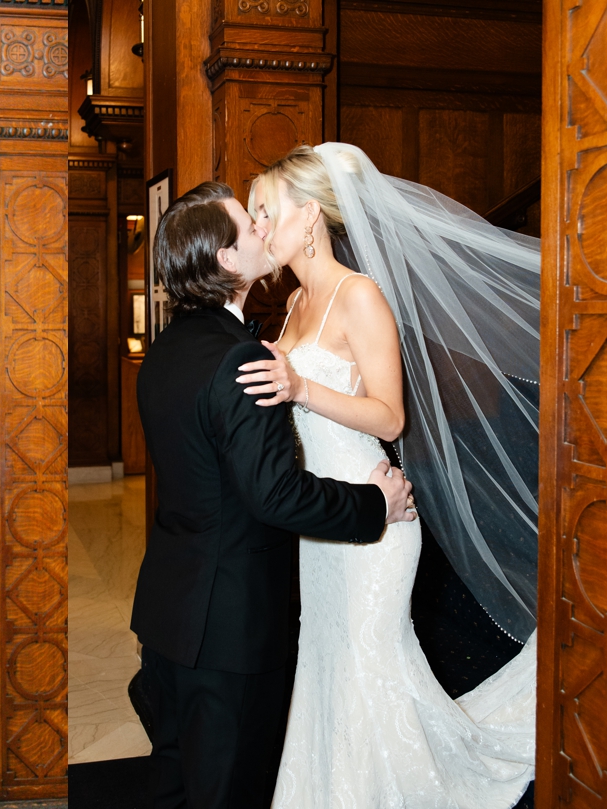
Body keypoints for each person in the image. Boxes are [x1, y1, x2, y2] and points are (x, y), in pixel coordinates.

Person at [235, 143, 537, 806]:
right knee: (328, 662)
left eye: (266, 211)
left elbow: (391, 416)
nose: (257, 226)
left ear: (309, 216)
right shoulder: (295, 303)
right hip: (321, 522)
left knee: (369, 669)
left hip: (375, 522)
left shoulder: (359, 295)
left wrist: (300, 386)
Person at [131, 180, 417, 809]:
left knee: (174, 782)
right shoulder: (239, 359)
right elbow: (276, 496)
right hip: (228, 625)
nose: (261, 229)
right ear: (228, 260)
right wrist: (376, 505)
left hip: (170, 610)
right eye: (249, 223)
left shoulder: (168, 348)